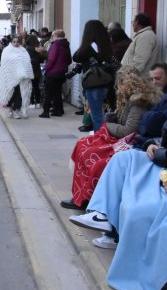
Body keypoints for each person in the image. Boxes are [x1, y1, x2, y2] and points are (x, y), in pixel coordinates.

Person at [69, 96, 167, 290]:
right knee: (125, 162)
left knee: (134, 209)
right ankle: (103, 215)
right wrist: (152, 145)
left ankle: (136, 259)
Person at [60, 66, 161, 210]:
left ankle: (87, 199)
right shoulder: (129, 98)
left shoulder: (138, 101)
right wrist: (113, 117)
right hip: (125, 140)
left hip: (133, 143)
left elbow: (128, 130)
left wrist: (107, 125)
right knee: (83, 145)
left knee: (94, 160)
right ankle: (81, 195)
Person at [73, 20, 113, 131]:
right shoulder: (107, 45)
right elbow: (114, 63)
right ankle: (104, 136)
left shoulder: (89, 48)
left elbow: (76, 57)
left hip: (93, 84)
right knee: (104, 113)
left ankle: (99, 139)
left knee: (96, 115)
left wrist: (85, 43)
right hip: (106, 83)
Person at [0, 35, 33, 119]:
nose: (16, 43)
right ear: (11, 42)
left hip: (21, 77)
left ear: (20, 42)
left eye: (17, 42)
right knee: (10, 94)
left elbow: (27, 63)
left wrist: (24, 72)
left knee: (20, 94)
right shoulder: (7, 50)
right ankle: (10, 108)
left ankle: (17, 110)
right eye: (14, 42)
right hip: (10, 76)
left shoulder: (23, 51)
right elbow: (5, 64)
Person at [40, 29, 72, 118]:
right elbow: (69, 60)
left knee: (48, 92)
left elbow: (51, 59)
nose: (52, 38)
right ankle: (58, 110)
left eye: (53, 36)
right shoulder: (66, 45)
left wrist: (46, 68)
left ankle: (45, 112)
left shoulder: (55, 45)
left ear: (57, 37)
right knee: (57, 92)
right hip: (62, 73)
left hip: (53, 73)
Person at [121, 13, 158, 79]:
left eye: (133, 22)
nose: (132, 24)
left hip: (138, 80)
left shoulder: (146, 36)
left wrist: (130, 76)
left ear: (137, 22)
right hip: (135, 79)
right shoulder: (143, 35)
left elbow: (140, 60)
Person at [25, 34, 42, 108]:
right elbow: (42, 59)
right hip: (37, 69)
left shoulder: (27, 48)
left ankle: (31, 103)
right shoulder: (38, 48)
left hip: (29, 69)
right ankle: (38, 102)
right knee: (36, 87)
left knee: (30, 87)